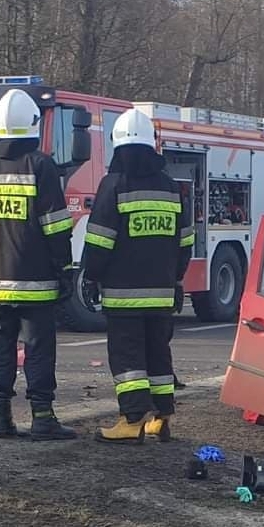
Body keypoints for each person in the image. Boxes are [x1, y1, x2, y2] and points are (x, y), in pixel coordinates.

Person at [0, 89, 76, 441]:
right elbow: (56, 227)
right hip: (37, 279)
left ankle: (1, 416)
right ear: (32, 124)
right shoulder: (41, 166)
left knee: (0, 345)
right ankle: (42, 416)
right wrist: (65, 269)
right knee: (38, 347)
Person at [83, 109, 193, 444]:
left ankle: (131, 420)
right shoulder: (172, 188)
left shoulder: (114, 185)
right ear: (152, 145)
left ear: (117, 145)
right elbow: (185, 242)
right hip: (161, 293)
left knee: (128, 358)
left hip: (123, 293)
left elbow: (100, 239)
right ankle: (161, 418)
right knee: (158, 354)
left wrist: (91, 275)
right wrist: (174, 279)